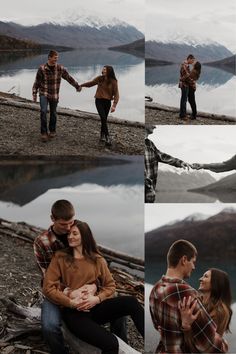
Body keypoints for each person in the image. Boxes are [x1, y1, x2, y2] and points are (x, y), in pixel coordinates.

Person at [33, 200, 127, 354]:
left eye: (71, 223)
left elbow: (94, 263)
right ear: (52, 219)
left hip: (87, 288)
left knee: (119, 306)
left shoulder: (80, 228)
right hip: (57, 292)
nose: (69, 228)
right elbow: (48, 280)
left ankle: (122, 344)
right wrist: (70, 293)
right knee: (49, 327)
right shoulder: (41, 243)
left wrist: (94, 287)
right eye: (64, 224)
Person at [43, 220, 144, 354]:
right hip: (74, 313)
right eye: (69, 234)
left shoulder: (97, 259)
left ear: (85, 236)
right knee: (112, 344)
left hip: (95, 307)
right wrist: (71, 302)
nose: (70, 237)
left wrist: (96, 299)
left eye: (75, 234)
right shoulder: (60, 257)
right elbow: (48, 287)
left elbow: (110, 286)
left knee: (131, 302)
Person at [149, 239, 227, 353]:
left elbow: (158, 327)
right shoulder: (187, 293)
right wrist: (224, 345)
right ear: (184, 260)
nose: (194, 267)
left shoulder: (155, 289)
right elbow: (211, 346)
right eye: (193, 262)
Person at [179, 268, 232, 352]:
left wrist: (186, 327)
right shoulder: (198, 302)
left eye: (205, 276)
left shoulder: (219, 311)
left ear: (215, 282)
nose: (200, 279)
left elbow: (205, 345)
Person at [32, 50, 81, 142]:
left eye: (57, 58)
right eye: (55, 58)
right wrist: (34, 94)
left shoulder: (60, 68)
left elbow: (68, 78)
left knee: (53, 113)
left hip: (54, 94)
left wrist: (77, 86)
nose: (56, 60)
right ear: (49, 58)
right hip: (44, 93)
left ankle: (52, 130)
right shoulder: (41, 69)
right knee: (43, 111)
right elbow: (37, 83)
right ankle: (43, 133)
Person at [145, 125, 192, 203]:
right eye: (152, 123)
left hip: (149, 192)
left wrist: (180, 163)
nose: (155, 126)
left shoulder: (149, 143)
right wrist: (148, 188)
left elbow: (162, 156)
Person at [80, 65, 119, 146]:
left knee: (104, 119)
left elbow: (116, 94)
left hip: (107, 102)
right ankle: (108, 137)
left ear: (109, 71)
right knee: (103, 117)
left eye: (105, 69)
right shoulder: (99, 78)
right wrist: (81, 85)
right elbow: (90, 83)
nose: (103, 70)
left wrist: (114, 105)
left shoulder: (113, 81)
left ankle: (102, 136)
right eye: (103, 69)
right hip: (99, 101)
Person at [179, 54, 195, 119]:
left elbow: (187, 75)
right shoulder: (185, 65)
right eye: (192, 60)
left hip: (185, 84)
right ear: (189, 59)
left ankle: (182, 114)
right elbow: (186, 76)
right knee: (184, 100)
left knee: (184, 99)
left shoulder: (186, 65)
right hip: (184, 84)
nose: (193, 62)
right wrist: (192, 82)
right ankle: (183, 115)